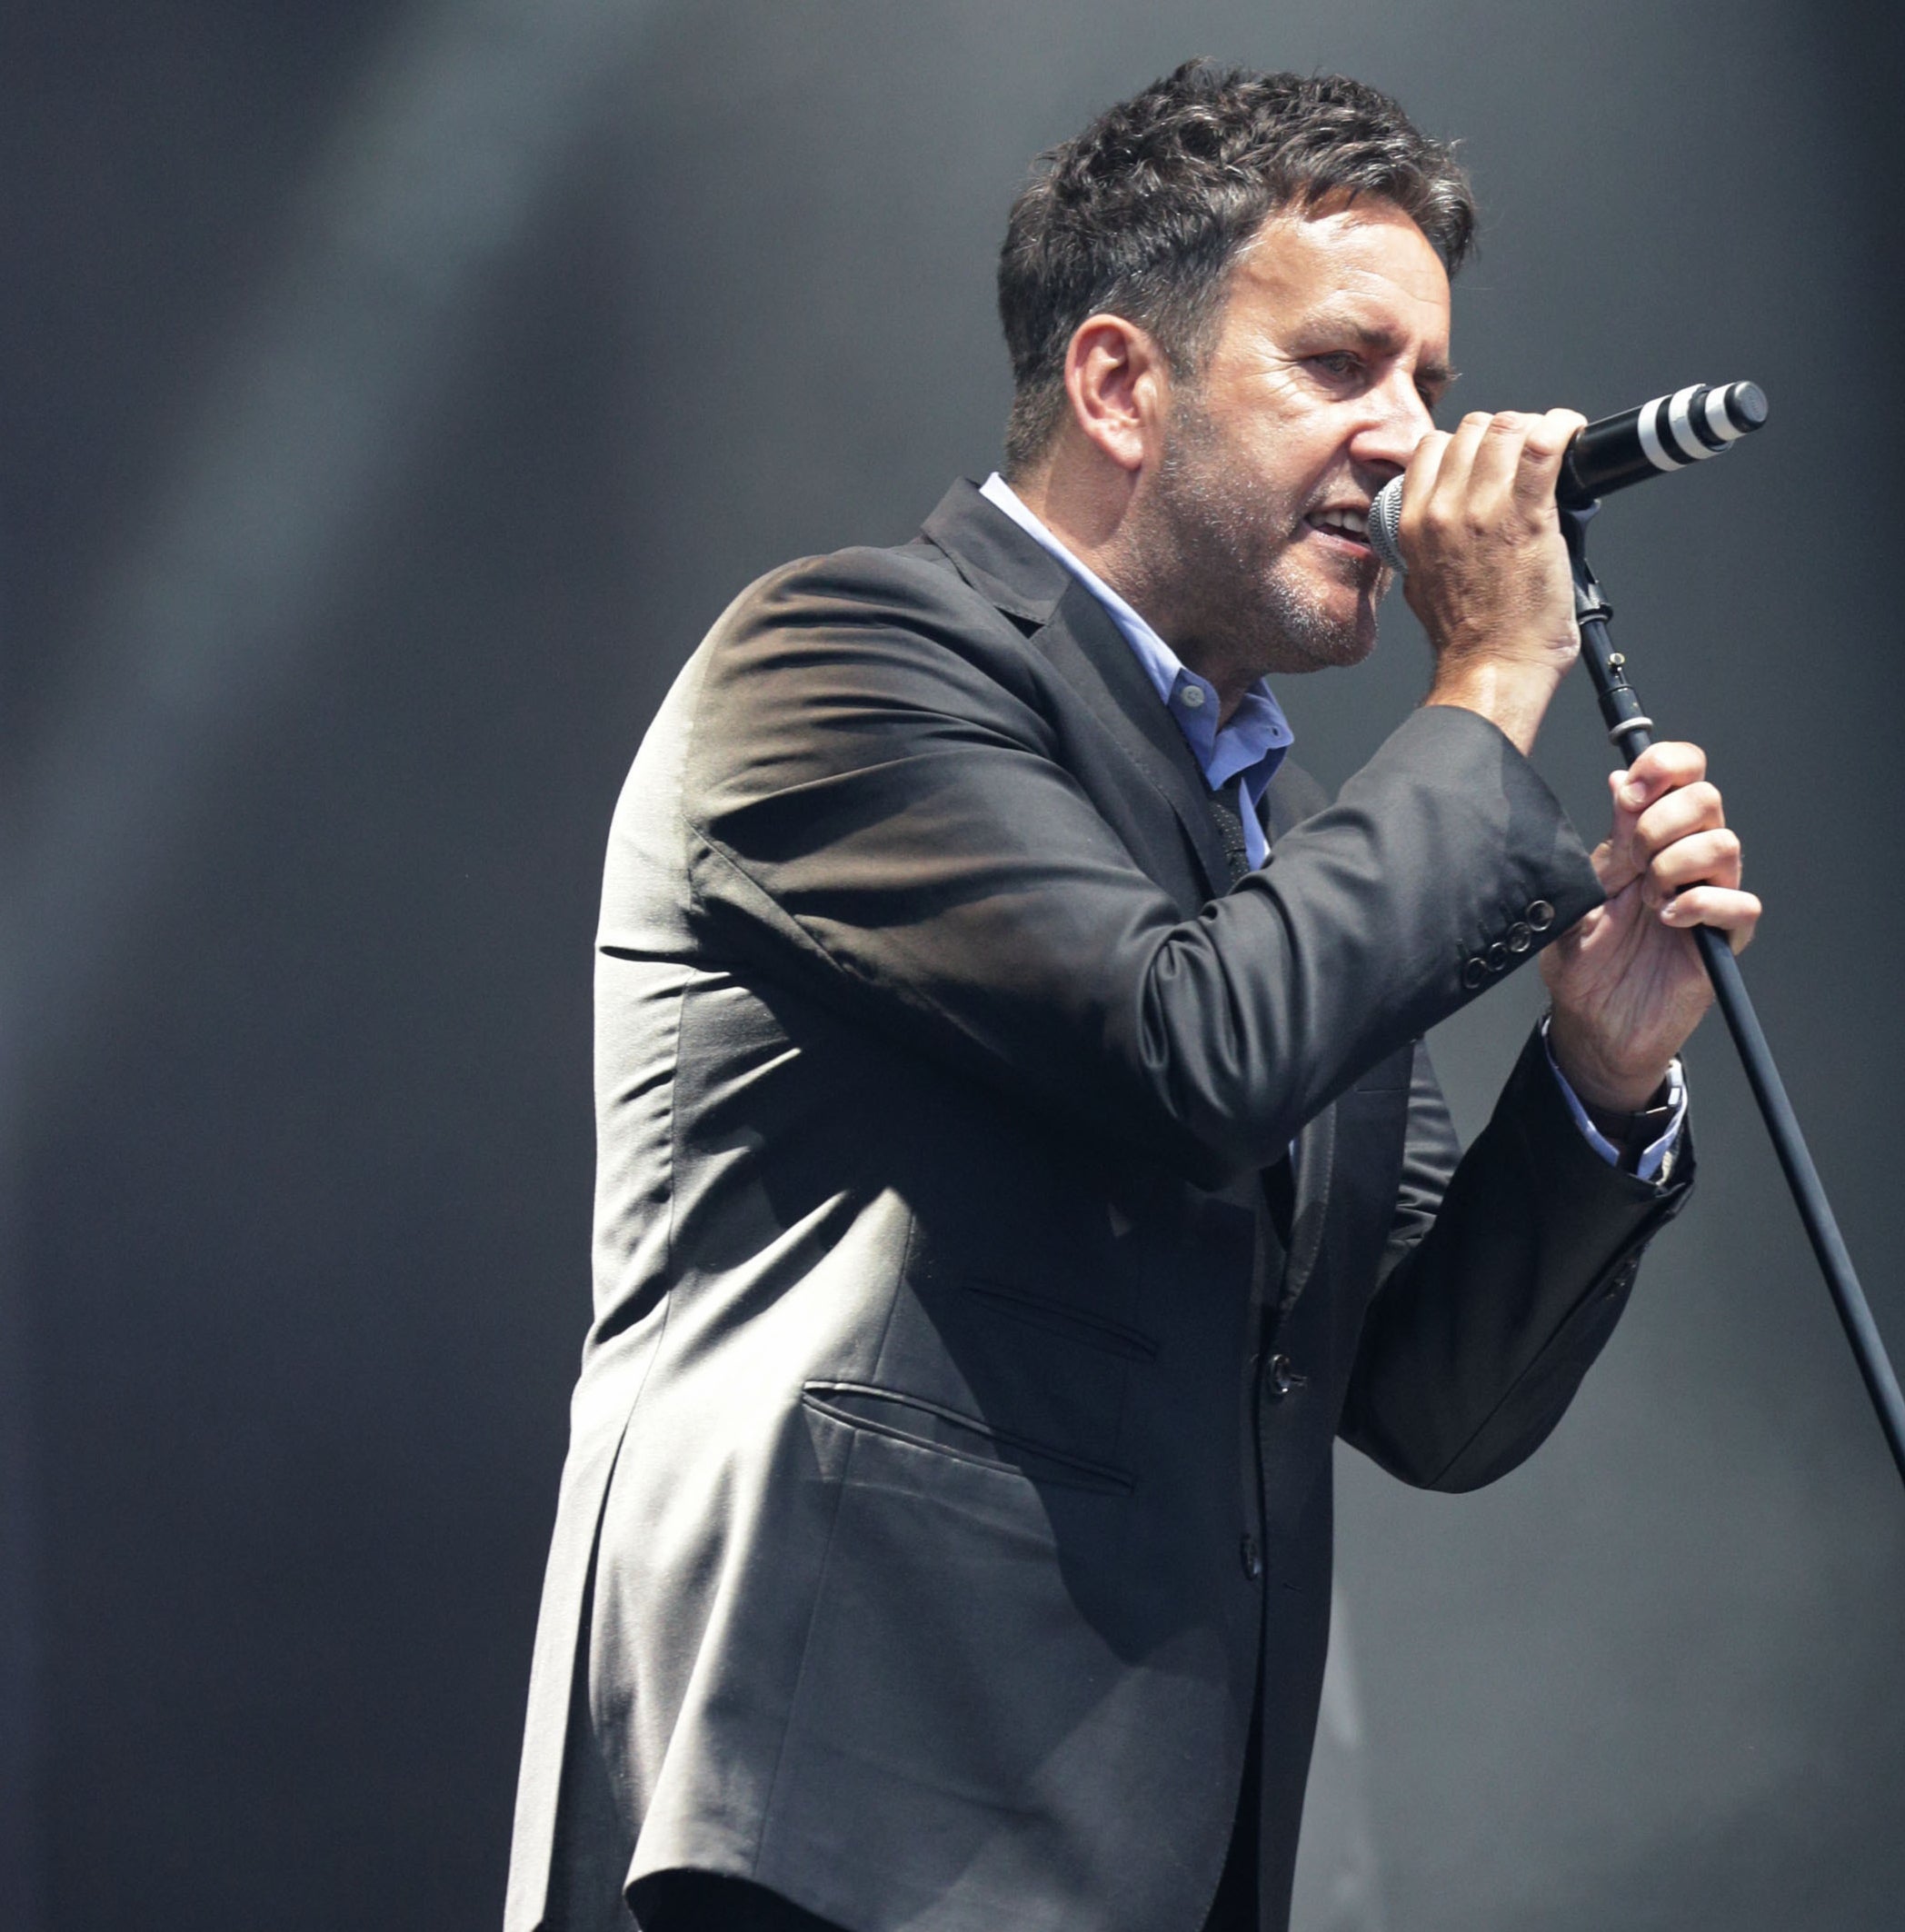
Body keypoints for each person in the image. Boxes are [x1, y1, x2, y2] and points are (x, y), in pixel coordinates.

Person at [506, 61, 1760, 1932]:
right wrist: (1490, 682)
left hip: (1152, 1871)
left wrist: (1593, 1081)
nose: (1413, 441)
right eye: (1342, 369)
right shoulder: (843, 657)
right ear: (1115, 383)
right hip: (836, 1823)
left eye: (1429, 378)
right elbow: (1188, 1047)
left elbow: (1424, 1396)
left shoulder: (1295, 835)